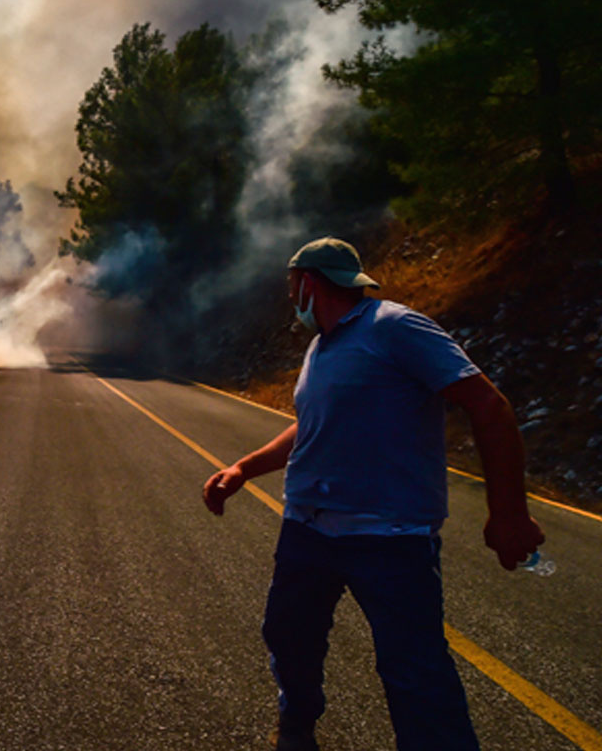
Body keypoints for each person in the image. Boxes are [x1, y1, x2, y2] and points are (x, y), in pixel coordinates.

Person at [202, 237, 544, 751]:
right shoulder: (323, 345)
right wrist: (244, 469)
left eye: (292, 287)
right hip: (308, 530)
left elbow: (488, 406)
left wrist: (509, 513)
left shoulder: (395, 327)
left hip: (389, 537)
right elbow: (311, 426)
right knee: (288, 637)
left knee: (416, 674)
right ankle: (297, 723)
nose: (290, 298)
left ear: (308, 284)